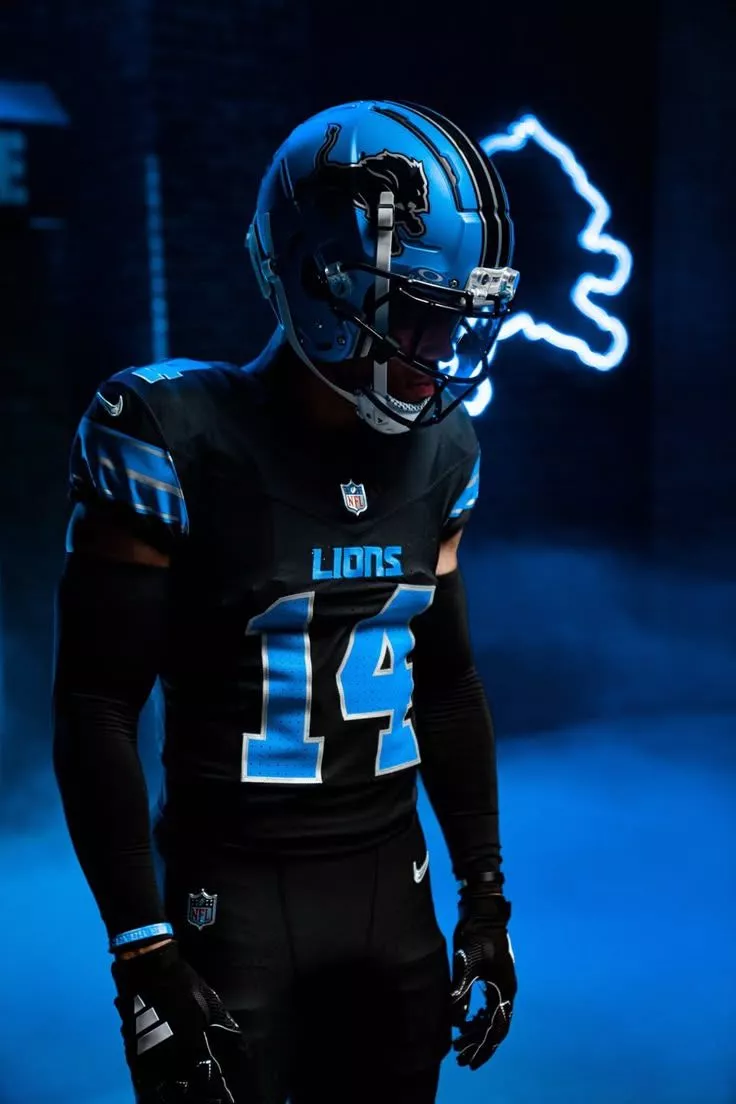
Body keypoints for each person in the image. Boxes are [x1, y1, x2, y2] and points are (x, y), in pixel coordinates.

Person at [52, 98, 519, 1104]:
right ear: (321, 280)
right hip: (232, 897)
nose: (441, 347)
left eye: (455, 316)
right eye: (418, 311)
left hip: (392, 892)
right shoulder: (172, 431)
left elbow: (445, 685)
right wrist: (142, 944)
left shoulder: (445, 452)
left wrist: (484, 894)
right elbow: (96, 704)